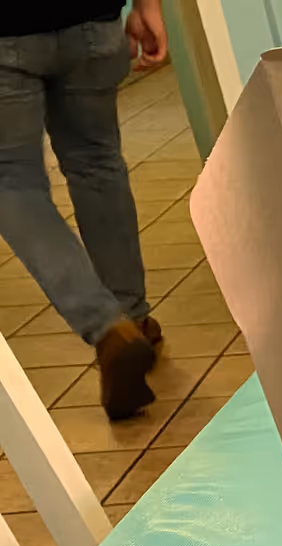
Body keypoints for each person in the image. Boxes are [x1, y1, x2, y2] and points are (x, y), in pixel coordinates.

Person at [0, 0, 169, 419]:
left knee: (12, 182)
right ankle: (133, 318)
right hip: (93, 23)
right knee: (97, 164)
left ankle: (108, 326)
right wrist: (149, 5)